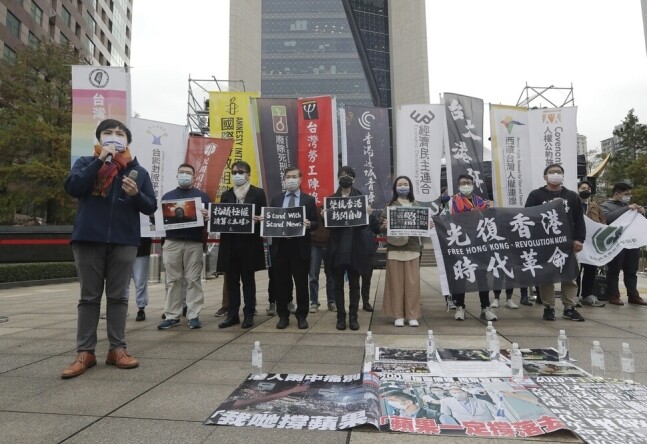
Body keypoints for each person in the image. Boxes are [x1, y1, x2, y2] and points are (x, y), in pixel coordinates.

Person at [61, 119, 157, 379]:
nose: (114, 137)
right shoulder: (85, 162)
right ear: (99, 139)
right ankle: (85, 352)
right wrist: (99, 161)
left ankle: (117, 349)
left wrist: (136, 193)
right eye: (108, 133)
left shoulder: (138, 172)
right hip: (88, 238)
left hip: (124, 240)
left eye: (119, 133)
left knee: (118, 297)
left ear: (127, 140)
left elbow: (150, 207)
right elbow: (73, 187)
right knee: (89, 298)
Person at [524, 163, 586, 321]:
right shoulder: (536, 195)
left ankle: (569, 307)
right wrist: (550, 208)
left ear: (563, 176)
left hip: (567, 242)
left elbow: (579, 219)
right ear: (545, 177)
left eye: (559, 172)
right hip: (544, 243)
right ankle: (548, 307)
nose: (555, 174)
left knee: (570, 275)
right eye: (552, 172)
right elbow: (527, 217)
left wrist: (579, 239)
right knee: (546, 275)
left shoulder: (571, 196)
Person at [157, 164, 210, 330]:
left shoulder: (202, 196)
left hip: (194, 242)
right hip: (172, 242)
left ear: (194, 177)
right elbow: (159, 219)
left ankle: (193, 315)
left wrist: (207, 215)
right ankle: (172, 315)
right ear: (177, 175)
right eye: (182, 172)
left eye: (188, 173)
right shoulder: (168, 196)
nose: (185, 175)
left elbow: (209, 219)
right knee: (173, 280)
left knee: (193, 279)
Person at [217, 161, 267, 329]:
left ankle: (249, 313)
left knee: (248, 281)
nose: (237, 175)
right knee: (231, 282)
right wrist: (212, 218)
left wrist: (259, 219)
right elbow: (221, 218)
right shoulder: (226, 195)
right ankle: (232, 315)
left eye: (241, 172)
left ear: (248, 174)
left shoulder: (258, 194)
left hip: (249, 245)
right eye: (234, 172)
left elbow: (264, 219)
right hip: (230, 245)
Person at [268, 166, 317, 329]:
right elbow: (271, 220)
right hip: (280, 247)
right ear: (284, 179)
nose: (291, 180)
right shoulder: (276, 199)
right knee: (281, 283)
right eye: (288, 176)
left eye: (294, 176)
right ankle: (283, 315)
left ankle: (302, 315)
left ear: (300, 179)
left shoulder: (308, 200)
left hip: (299, 247)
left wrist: (309, 224)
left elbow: (316, 222)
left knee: (301, 283)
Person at [448, 174, 497, 322]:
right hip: (461, 244)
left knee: (482, 276)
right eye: (463, 183)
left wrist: (491, 209)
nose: (466, 185)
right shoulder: (451, 203)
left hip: (479, 245)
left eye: (469, 182)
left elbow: (491, 220)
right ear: (458, 186)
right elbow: (444, 220)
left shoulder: (482, 202)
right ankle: (460, 306)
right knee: (461, 276)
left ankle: (485, 307)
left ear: (473, 184)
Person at [327, 166, 370, 331]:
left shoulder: (361, 198)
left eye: (349, 175)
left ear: (354, 179)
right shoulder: (331, 199)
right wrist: (326, 216)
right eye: (342, 175)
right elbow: (329, 227)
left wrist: (368, 214)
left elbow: (365, 226)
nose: (345, 178)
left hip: (355, 248)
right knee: (337, 285)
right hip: (337, 249)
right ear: (338, 178)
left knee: (354, 285)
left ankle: (353, 317)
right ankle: (340, 316)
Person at [380, 176, 424, 327]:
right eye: (400, 184)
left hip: (412, 248)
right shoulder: (390, 205)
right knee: (396, 284)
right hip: (395, 248)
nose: (403, 186)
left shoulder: (416, 205)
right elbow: (380, 226)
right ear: (395, 188)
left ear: (410, 187)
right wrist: (384, 225)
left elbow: (423, 225)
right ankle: (397, 315)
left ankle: (412, 315)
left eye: (406, 184)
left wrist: (428, 223)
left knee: (412, 284)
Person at [601, 182, 647, 306]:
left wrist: (642, 213)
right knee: (614, 270)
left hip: (632, 243)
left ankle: (633, 295)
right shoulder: (606, 205)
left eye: (629, 194)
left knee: (631, 270)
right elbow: (608, 218)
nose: (628, 197)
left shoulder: (630, 206)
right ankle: (613, 295)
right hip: (616, 243)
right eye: (626, 194)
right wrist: (627, 209)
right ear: (617, 194)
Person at [576, 180, 607, 307]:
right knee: (576, 271)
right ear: (578, 189)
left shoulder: (595, 206)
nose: (586, 191)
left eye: (588, 189)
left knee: (590, 270)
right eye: (583, 188)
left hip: (591, 245)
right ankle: (574, 296)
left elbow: (603, 221)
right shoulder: (573, 204)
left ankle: (587, 295)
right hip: (577, 242)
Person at [308, 204, 336, 313]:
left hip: (329, 244)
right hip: (314, 244)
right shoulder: (312, 205)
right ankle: (314, 302)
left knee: (331, 275)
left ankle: (331, 301)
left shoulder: (332, 205)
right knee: (313, 275)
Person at [360, 210, 381, 312]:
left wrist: (372, 215)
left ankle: (366, 302)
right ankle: (354, 302)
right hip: (355, 250)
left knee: (367, 278)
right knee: (354, 280)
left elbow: (377, 230)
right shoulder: (351, 212)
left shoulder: (370, 214)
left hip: (368, 249)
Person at [127, 236, 152, 321]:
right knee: (123, 283)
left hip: (141, 247)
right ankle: (122, 307)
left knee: (140, 281)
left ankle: (141, 308)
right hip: (125, 246)